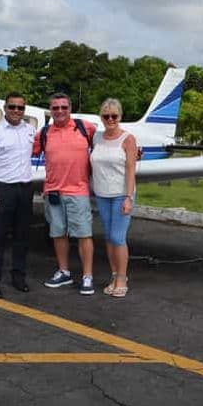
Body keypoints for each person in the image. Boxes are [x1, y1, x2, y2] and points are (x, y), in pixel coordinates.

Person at [34, 92, 98, 295]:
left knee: (84, 234)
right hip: (53, 191)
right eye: (55, 108)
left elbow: (107, 144)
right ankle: (64, 272)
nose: (60, 111)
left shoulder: (85, 127)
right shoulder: (44, 133)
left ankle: (87, 276)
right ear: (50, 111)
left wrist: (133, 151)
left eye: (64, 107)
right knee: (58, 233)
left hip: (78, 191)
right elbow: (24, 151)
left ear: (70, 109)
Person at [0, 93, 36, 298]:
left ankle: (18, 276)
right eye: (12, 107)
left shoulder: (30, 130)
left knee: (22, 236)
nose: (16, 111)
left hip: (25, 189)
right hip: (2, 189)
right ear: (5, 108)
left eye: (20, 108)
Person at [90, 98, 137, 298]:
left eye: (114, 116)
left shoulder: (128, 139)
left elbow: (131, 170)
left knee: (118, 237)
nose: (110, 119)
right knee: (109, 237)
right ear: (101, 117)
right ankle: (114, 274)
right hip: (102, 194)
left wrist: (128, 197)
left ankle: (122, 278)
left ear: (120, 116)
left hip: (120, 194)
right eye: (106, 116)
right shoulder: (96, 138)